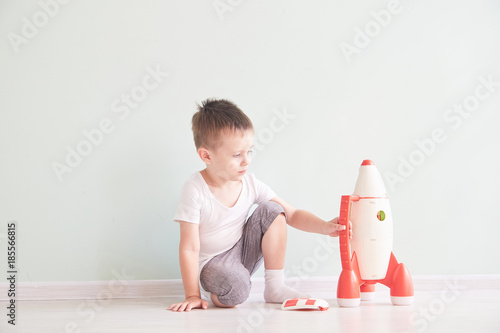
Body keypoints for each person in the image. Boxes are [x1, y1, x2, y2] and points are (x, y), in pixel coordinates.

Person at [168, 98, 351, 312]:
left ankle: (274, 287)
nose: (247, 161)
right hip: (213, 263)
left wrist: (324, 226)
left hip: (243, 251)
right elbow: (189, 247)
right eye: (237, 155)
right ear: (206, 155)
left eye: (249, 151)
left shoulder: (250, 183)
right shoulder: (195, 190)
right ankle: (226, 288)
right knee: (235, 292)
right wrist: (192, 295)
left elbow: (291, 213)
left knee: (273, 210)